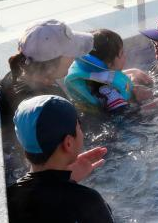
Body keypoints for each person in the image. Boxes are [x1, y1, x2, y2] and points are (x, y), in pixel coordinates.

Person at [7, 95, 114, 223]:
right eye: (79, 126)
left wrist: (68, 181)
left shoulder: (7, 197)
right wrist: (69, 185)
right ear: (68, 143)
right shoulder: (87, 202)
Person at [0, 20, 94, 123]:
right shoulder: (46, 107)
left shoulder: (14, 75)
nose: (74, 57)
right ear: (50, 67)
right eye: (70, 52)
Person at [64, 29, 153, 113]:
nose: (125, 55)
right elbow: (125, 116)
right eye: (122, 53)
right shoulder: (111, 93)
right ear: (110, 63)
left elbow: (108, 75)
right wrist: (139, 100)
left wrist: (133, 71)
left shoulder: (90, 72)